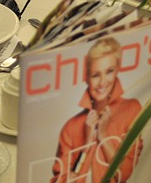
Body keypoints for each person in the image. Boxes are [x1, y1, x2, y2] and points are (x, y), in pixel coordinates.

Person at [52, 38, 142, 182]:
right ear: (87, 78)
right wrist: (86, 147)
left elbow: (124, 175)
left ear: (118, 70)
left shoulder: (132, 109)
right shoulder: (71, 127)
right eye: (95, 75)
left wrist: (104, 136)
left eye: (109, 71)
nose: (102, 82)